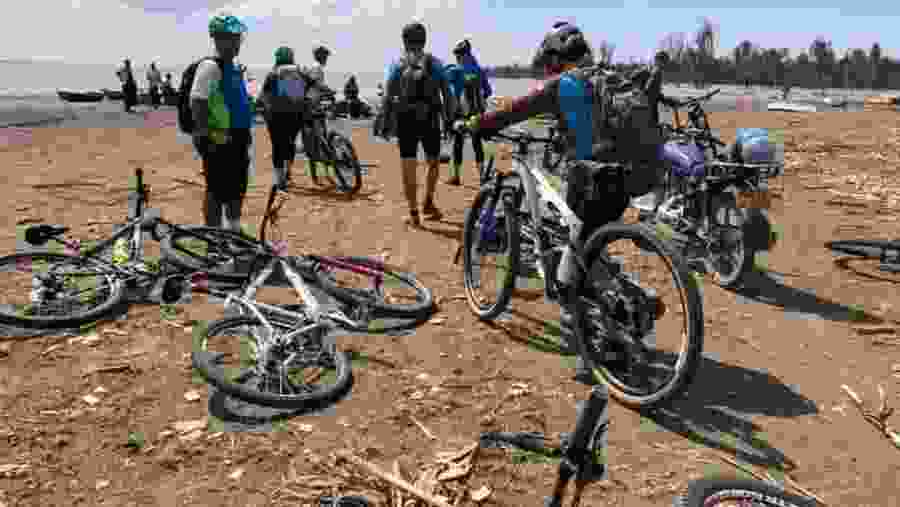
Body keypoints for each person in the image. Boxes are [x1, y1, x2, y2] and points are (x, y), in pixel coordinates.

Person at [455, 22, 631, 384]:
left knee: (569, 277)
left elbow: (514, 109)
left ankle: (600, 352)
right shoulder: (606, 78)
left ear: (554, 58)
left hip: (591, 183)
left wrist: (475, 123)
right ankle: (608, 302)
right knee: (588, 246)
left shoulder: (562, 84)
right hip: (623, 179)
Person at [379, 21, 454, 226]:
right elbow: (448, 94)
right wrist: (448, 120)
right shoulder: (436, 63)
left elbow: (387, 96)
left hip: (406, 121)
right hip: (430, 118)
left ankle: (414, 214)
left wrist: (385, 122)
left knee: (408, 165)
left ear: (404, 41)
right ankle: (428, 201)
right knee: (433, 162)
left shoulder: (397, 64)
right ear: (424, 40)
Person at [189, 13, 253, 233]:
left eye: (237, 38)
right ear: (216, 39)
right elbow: (197, 101)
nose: (235, 42)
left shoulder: (233, 67)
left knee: (237, 185)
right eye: (229, 38)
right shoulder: (210, 66)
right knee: (216, 189)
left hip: (238, 136)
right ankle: (213, 234)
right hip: (218, 137)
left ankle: (233, 226)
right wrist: (206, 134)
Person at [259, 46, 307, 191]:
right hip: (296, 115)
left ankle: (280, 180)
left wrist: (260, 107)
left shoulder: (273, 73)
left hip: (276, 116)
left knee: (277, 146)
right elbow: (310, 86)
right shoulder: (298, 71)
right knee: (290, 143)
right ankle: (288, 171)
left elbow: (264, 95)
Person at [445, 38, 492, 185]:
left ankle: (456, 177)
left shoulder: (455, 71)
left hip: (460, 114)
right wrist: (479, 102)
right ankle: (482, 176)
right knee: (477, 144)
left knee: (458, 143)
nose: (457, 58)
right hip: (477, 113)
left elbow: (443, 87)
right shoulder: (479, 70)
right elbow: (488, 91)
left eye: (457, 55)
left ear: (460, 55)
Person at [300, 45, 337, 184]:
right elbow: (316, 85)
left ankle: (316, 175)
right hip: (311, 107)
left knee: (313, 141)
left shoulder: (312, 67)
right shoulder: (317, 68)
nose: (326, 58)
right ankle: (323, 174)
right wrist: (329, 91)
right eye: (325, 56)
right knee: (319, 140)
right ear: (320, 56)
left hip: (309, 106)